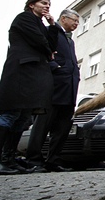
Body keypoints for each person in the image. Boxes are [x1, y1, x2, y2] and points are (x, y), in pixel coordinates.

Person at [0, 0, 59, 176]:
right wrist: (49, 52)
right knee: (11, 113)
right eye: (43, 3)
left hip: (34, 72)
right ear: (32, 5)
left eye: (49, 4)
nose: (47, 6)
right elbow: (40, 41)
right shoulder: (24, 18)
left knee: (24, 116)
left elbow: (51, 44)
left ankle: (8, 159)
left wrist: (53, 25)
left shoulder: (42, 23)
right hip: (22, 70)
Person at [26, 9, 81, 173]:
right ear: (63, 18)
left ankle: (54, 159)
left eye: (78, 22)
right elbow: (43, 53)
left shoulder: (70, 40)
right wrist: (55, 68)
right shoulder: (53, 31)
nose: (77, 24)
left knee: (62, 128)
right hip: (54, 88)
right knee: (42, 126)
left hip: (69, 89)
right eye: (75, 21)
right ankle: (33, 159)